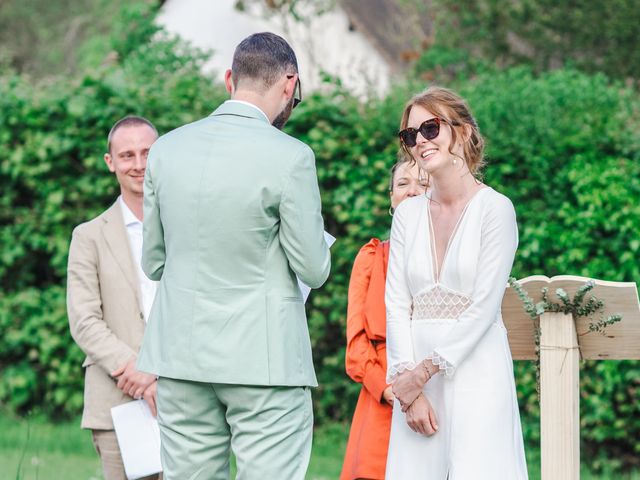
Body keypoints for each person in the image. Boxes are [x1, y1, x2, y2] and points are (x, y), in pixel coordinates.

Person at [136, 32, 331, 480]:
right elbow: (314, 268)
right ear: (290, 83)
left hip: (180, 353)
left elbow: (154, 261)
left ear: (230, 79)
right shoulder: (292, 156)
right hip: (263, 359)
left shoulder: (166, 149)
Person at [384, 86, 528, 479]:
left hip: (477, 371)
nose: (419, 142)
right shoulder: (407, 215)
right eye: (410, 135)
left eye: (430, 128)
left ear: (461, 132)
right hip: (415, 382)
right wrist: (405, 388)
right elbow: (396, 305)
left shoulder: (495, 210)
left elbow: (483, 309)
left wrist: (423, 373)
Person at [67, 116, 160, 480]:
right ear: (111, 162)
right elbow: (84, 320)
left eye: (147, 153)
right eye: (127, 155)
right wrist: (138, 370)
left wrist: (160, 371)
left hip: (183, 396)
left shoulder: (185, 228)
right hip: (117, 400)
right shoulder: (88, 236)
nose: (138, 165)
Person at [340, 158, 427, 480]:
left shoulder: (456, 260)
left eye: (423, 183)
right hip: (384, 396)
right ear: (392, 198)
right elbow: (357, 343)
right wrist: (390, 390)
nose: (412, 191)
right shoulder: (372, 257)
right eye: (402, 184)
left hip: (440, 390)